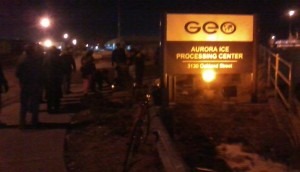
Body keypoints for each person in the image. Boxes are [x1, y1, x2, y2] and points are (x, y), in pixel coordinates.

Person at [16, 44, 43, 128]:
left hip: (24, 84)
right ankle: (34, 121)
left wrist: (21, 79)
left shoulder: (21, 59)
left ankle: (22, 122)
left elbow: (17, 73)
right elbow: (40, 71)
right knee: (35, 103)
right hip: (34, 83)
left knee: (24, 104)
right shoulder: (36, 59)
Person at [43, 46, 64, 113]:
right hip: (56, 78)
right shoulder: (58, 58)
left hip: (48, 78)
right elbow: (61, 67)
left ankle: (49, 108)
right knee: (56, 94)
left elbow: (43, 67)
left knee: (49, 94)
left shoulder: (47, 58)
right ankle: (56, 107)